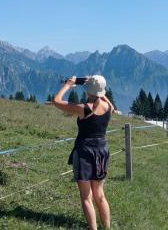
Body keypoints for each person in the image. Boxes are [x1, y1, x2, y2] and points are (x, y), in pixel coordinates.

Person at [53, 75, 114, 230]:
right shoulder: (108, 108)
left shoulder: (84, 108)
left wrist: (69, 84)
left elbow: (57, 101)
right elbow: (108, 102)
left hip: (85, 151)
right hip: (102, 150)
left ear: (89, 90)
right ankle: (107, 227)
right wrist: (99, 90)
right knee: (99, 194)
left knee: (86, 196)